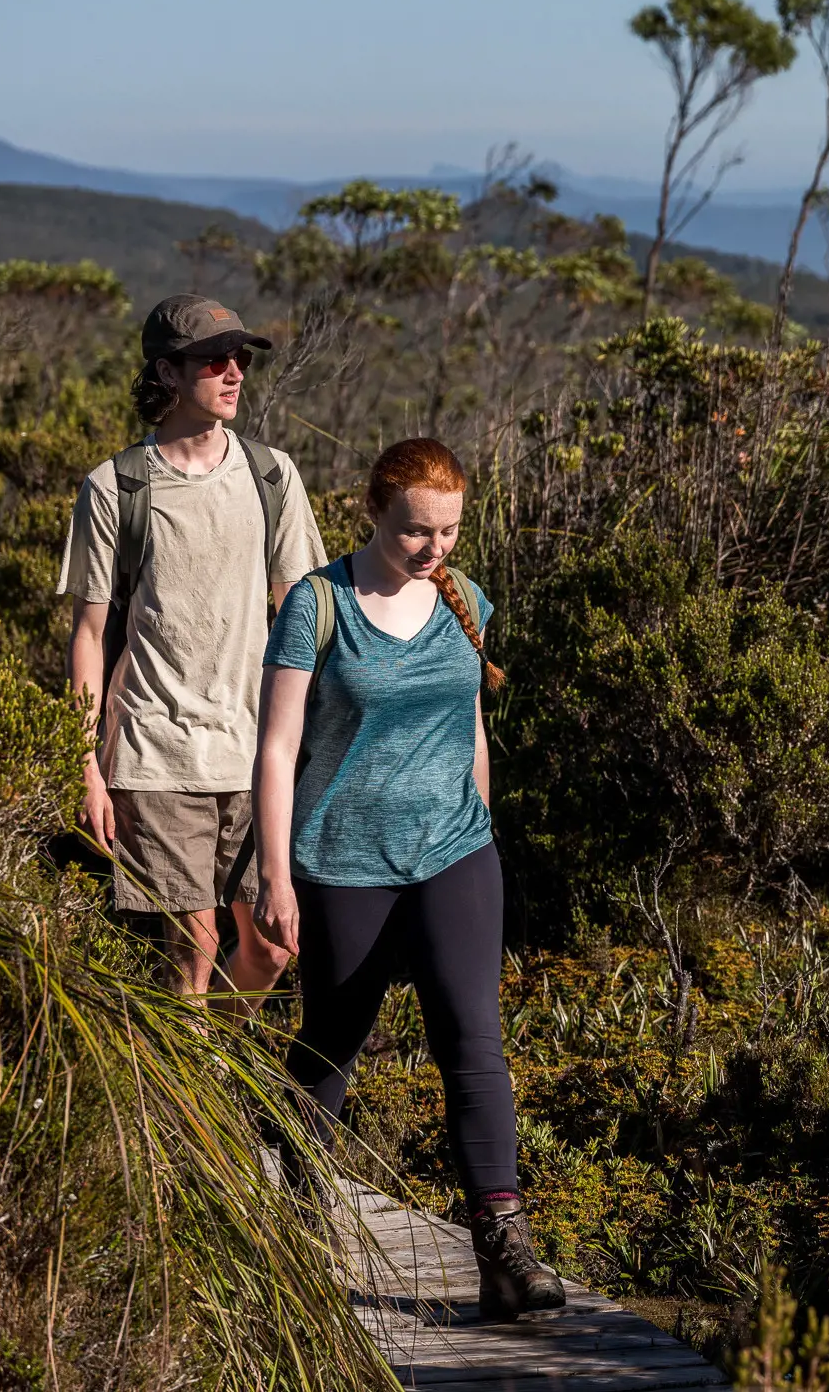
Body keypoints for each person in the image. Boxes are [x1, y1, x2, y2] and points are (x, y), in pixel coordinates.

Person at [252, 437, 564, 1323]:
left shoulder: (463, 599)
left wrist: (484, 830)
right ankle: (296, 1211)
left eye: (451, 531)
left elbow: (470, 727)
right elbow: (276, 749)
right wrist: (276, 876)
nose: (435, 549)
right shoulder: (318, 605)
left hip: (455, 852)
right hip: (343, 859)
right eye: (417, 533)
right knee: (332, 1044)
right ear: (375, 511)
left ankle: (504, 1251)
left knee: (473, 1038)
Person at [62, 294, 326, 1013]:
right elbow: (88, 636)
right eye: (215, 359)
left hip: (253, 753)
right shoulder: (115, 486)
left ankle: (212, 1072)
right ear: (167, 373)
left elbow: (300, 620)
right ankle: (192, 1115)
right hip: (156, 751)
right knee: (195, 947)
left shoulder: (273, 478)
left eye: (240, 357)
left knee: (271, 946)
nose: (234, 371)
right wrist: (86, 765)